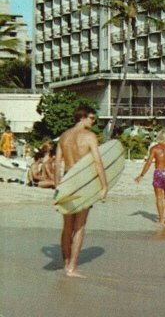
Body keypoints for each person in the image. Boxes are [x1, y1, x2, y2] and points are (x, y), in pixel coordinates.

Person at [55, 104, 108, 277]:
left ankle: (65, 264)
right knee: (80, 226)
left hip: (67, 180)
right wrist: (104, 185)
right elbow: (97, 162)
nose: (94, 122)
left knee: (67, 226)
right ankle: (72, 267)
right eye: (92, 118)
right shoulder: (90, 136)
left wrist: (58, 186)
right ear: (82, 117)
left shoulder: (63, 137)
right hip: (83, 182)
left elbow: (57, 164)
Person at [135, 129, 165, 225]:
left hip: (158, 173)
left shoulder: (155, 148)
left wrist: (142, 175)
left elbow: (149, 162)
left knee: (159, 197)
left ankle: (161, 220)